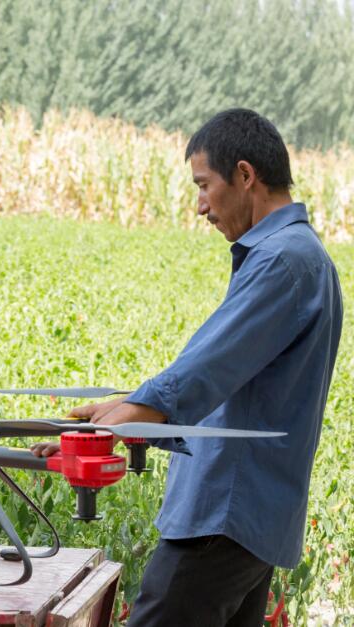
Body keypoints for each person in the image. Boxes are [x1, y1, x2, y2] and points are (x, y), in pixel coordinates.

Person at [32, 109, 342, 626]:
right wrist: (117, 408)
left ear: (245, 176)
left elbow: (206, 370)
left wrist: (120, 422)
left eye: (204, 186)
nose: (200, 206)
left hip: (223, 514)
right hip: (250, 517)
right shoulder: (300, 258)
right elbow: (230, 373)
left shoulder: (282, 261)